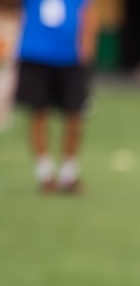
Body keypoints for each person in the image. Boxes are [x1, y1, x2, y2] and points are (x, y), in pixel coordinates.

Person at [14, 0, 96, 193]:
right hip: (35, 56)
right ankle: (45, 173)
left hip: (70, 58)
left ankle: (69, 172)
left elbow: (89, 14)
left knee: (75, 115)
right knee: (38, 113)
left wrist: (87, 49)